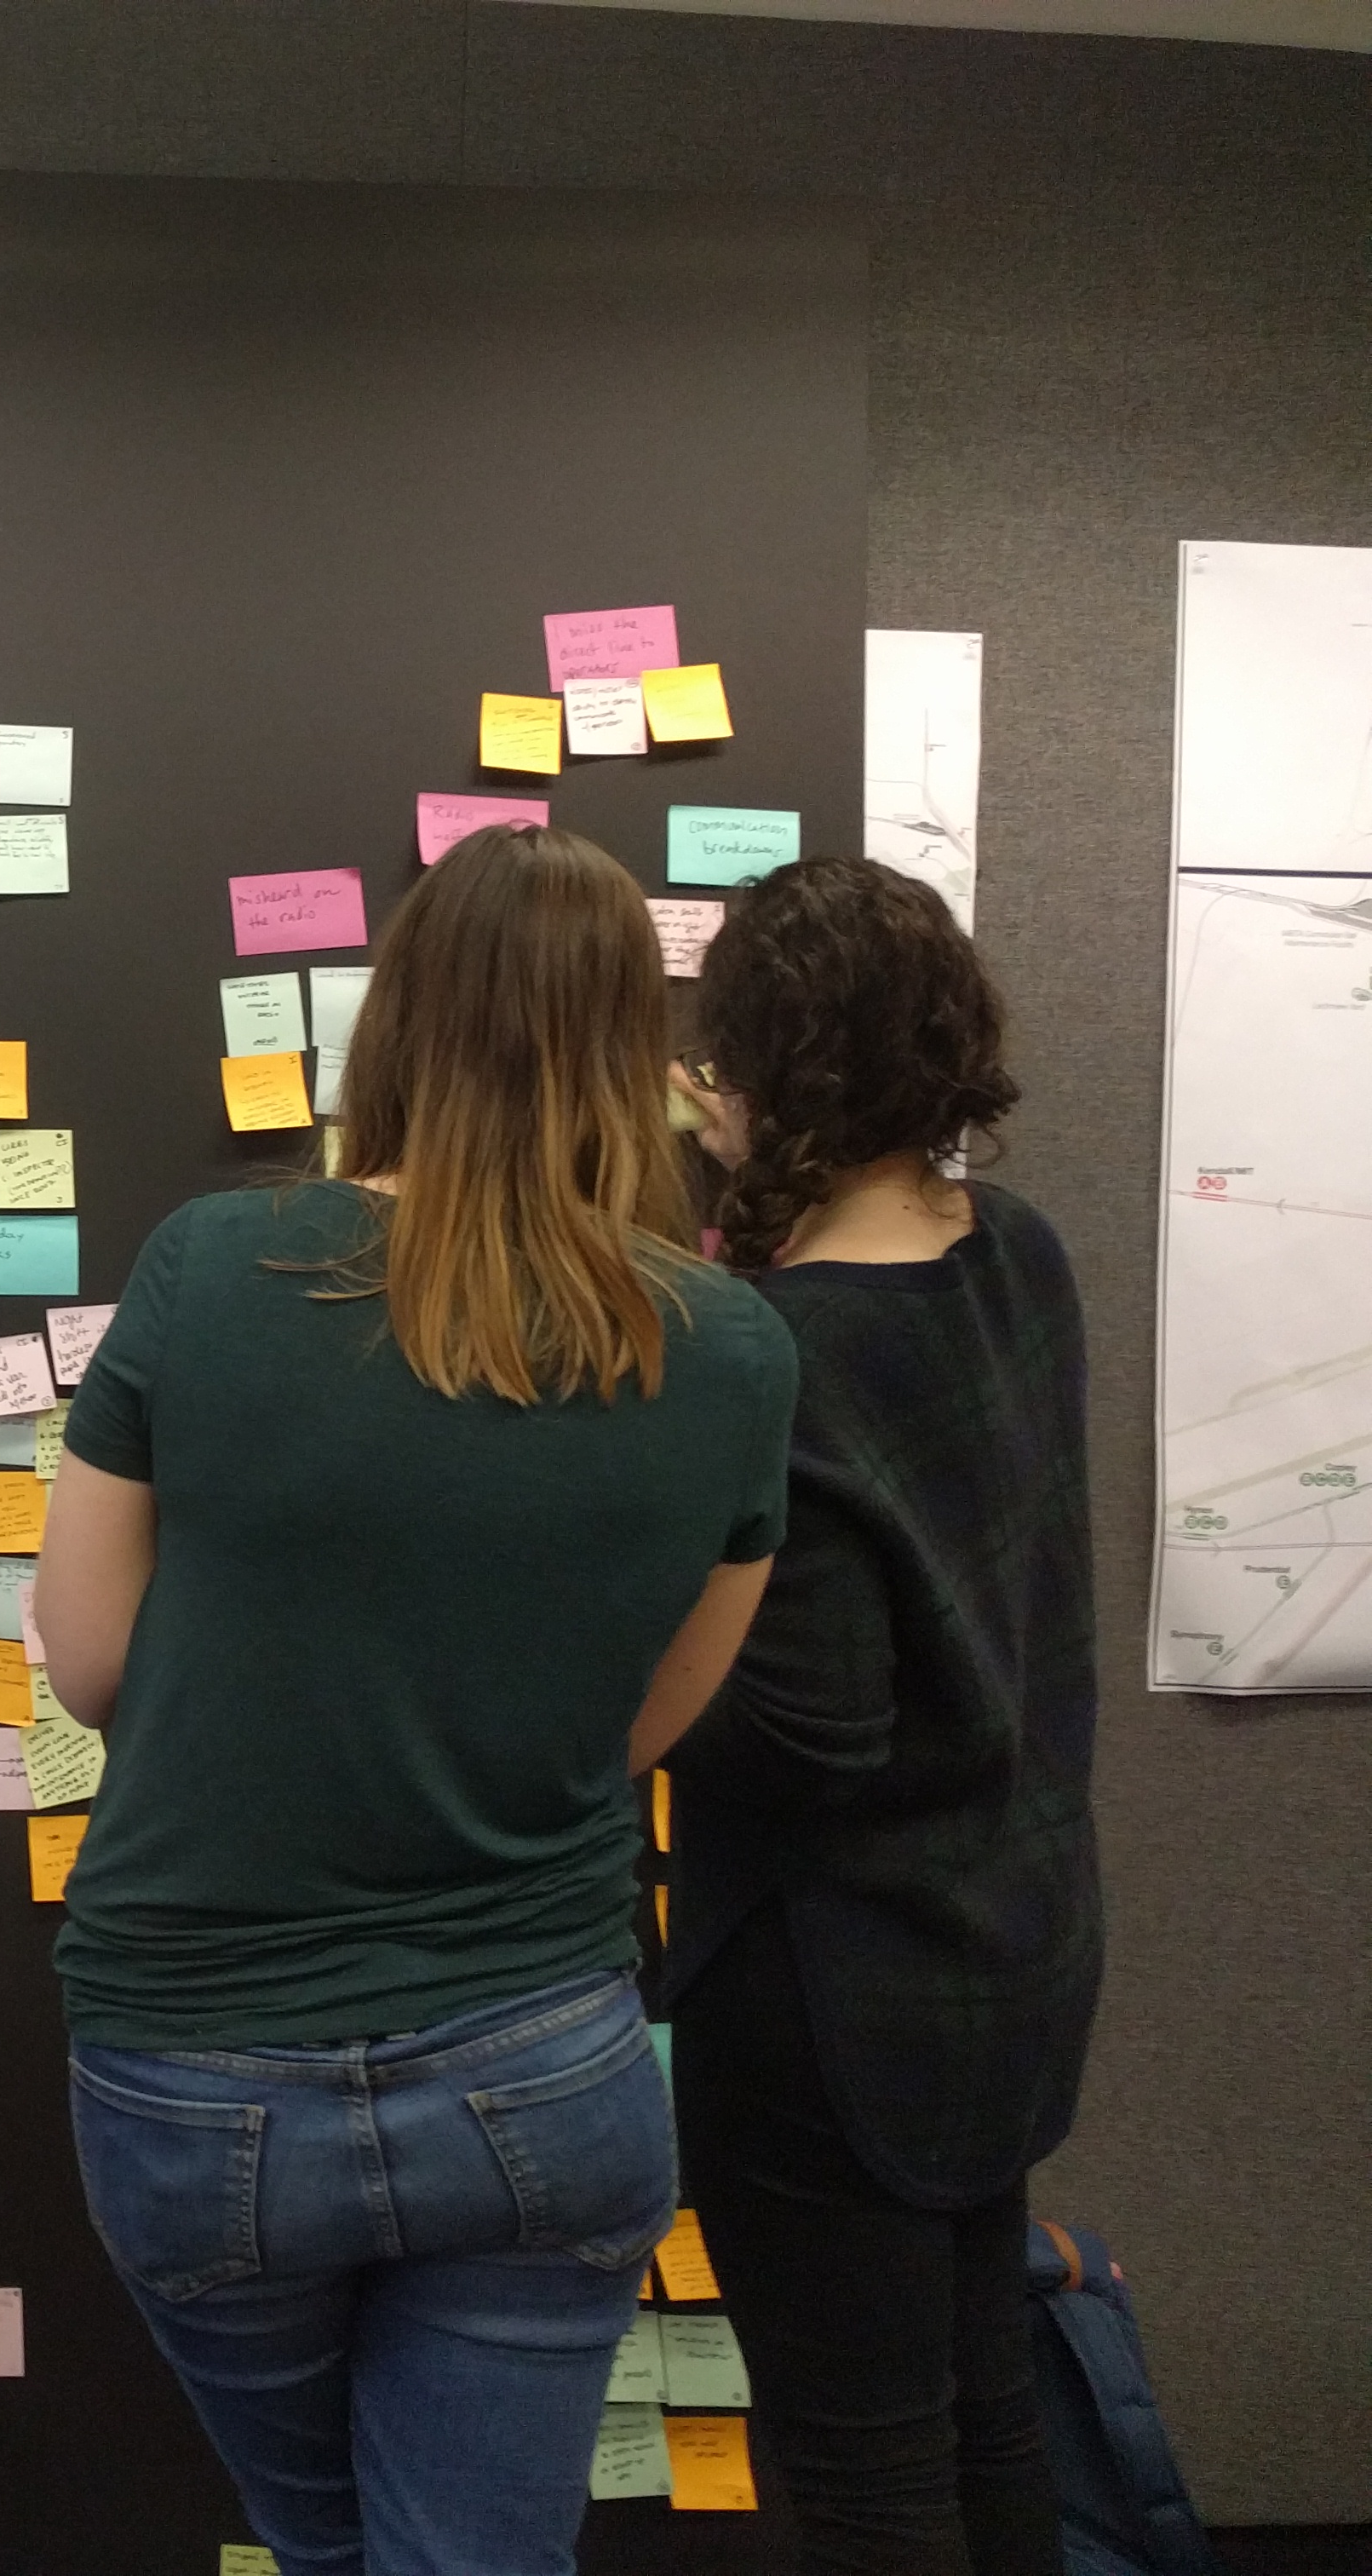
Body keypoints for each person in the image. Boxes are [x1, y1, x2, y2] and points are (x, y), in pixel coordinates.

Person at [32, 824, 799, 2576]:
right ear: (636, 1050)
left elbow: (83, 1657)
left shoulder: (217, 1265)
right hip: (538, 2062)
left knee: (326, 2549)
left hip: (196, 2067)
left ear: (392, 1023)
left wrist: (278, 1672)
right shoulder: (733, 1347)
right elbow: (639, 1723)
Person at [664, 853, 1100, 2576]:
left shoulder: (780, 1346)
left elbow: (804, 1733)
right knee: (984, 2403)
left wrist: (616, 1679)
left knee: (863, 2475)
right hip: (1014, 1945)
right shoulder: (1023, 1254)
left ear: (765, 1067)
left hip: (837, 2000)